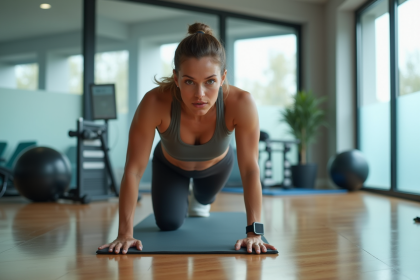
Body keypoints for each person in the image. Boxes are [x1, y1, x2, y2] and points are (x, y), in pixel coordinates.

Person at [98, 23, 277, 255]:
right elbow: (133, 170)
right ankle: (186, 198)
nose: (200, 94)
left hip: (216, 167)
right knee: (168, 224)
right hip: (170, 166)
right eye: (189, 81)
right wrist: (124, 234)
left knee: (203, 197)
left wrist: (255, 232)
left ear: (222, 77)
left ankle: (200, 201)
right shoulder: (155, 103)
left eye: (210, 81)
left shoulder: (241, 103)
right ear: (176, 77)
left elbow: (251, 170)